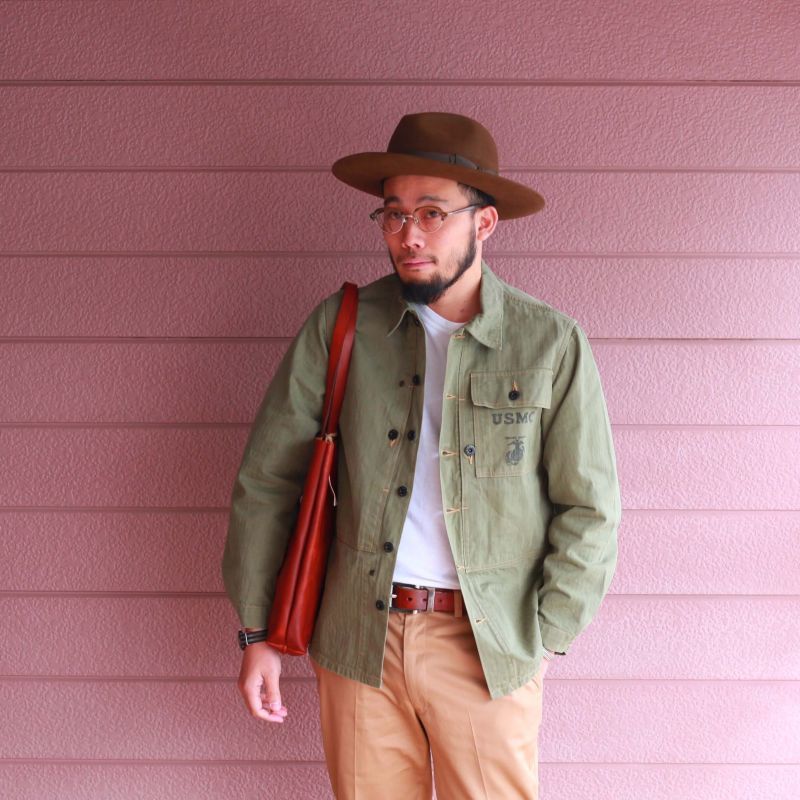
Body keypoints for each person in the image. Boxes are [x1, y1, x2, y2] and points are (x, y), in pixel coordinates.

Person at [222, 111, 621, 799]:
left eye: (432, 213)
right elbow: (268, 481)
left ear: (484, 223)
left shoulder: (549, 342)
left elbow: (589, 507)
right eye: (393, 214)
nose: (407, 234)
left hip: (488, 647)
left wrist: (544, 638)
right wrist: (258, 630)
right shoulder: (342, 326)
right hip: (359, 640)